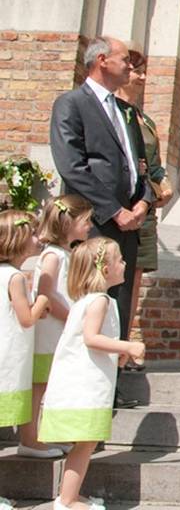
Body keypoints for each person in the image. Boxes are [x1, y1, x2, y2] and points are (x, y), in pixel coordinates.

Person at [49, 36, 153, 410]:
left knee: (118, 305)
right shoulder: (72, 104)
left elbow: (140, 165)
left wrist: (143, 201)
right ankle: (83, 394)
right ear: (102, 61)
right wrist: (113, 210)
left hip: (128, 223)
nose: (131, 67)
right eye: (126, 60)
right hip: (95, 224)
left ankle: (109, 387)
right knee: (91, 305)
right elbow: (72, 165)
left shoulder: (126, 112)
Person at [39, 237, 146, 510]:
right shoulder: (100, 301)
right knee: (85, 446)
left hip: (83, 382)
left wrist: (118, 356)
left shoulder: (87, 301)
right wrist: (128, 345)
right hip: (86, 386)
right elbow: (91, 338)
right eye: (119, 260)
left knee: (84, 446)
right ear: (105, 269)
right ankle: (67, 500)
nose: (124, 264)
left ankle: (70, 496)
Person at [21, 195, 94, 457]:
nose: (90, 226)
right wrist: (73, 319)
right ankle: (28, 439)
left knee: (52, 384)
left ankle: (47, 434)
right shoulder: (53, 256)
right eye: (86, 221)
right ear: (68, 222)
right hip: (49, 332)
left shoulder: (67, 253)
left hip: (61, 331)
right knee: (39, 385)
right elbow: (47, 295)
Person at [115, 46, 173, 347]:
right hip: (119, 209)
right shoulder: (113, 113)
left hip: (146, 211)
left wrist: (164, 183)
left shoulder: (145, 120)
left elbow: (154, 166)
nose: (143, 76)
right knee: (113, 279)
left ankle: (123, 344)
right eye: (137, 71)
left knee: (135, 279)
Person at [0, 212, 50, 455]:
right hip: (8, 358)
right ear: (17, 239)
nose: (38, 237)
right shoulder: (15, 277)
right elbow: (26, 319)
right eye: (32, 233)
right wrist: (43, 298)